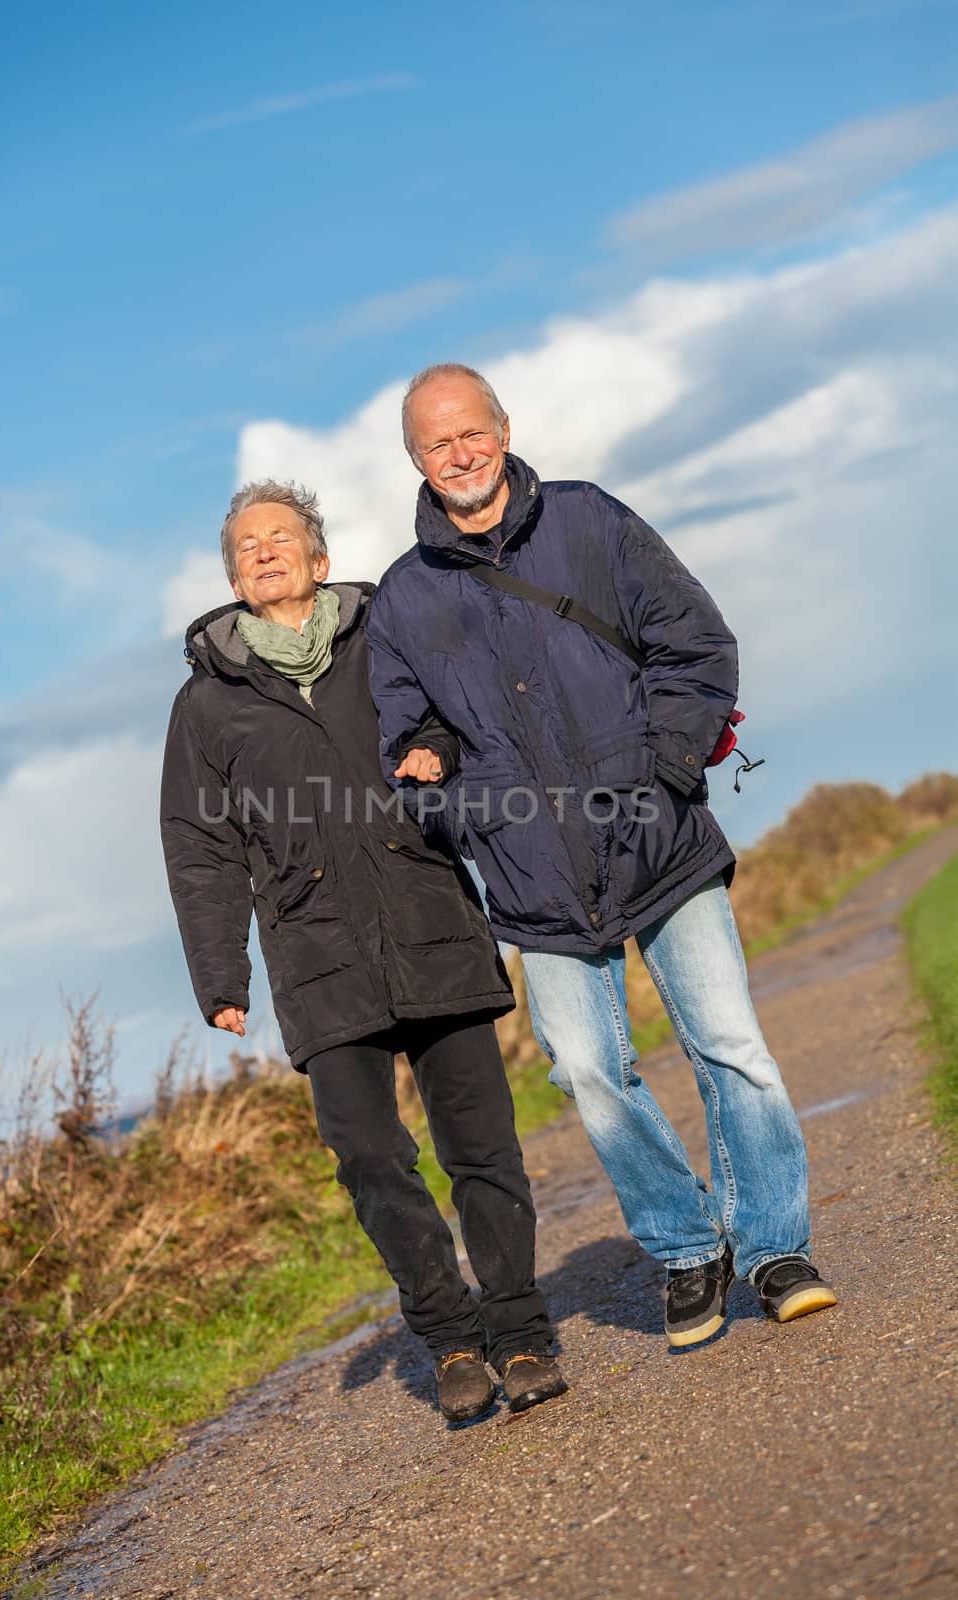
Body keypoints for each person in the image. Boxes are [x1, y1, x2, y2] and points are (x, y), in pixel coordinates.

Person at [367, 363, 837, 1348]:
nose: (456, 455)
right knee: (587, 1071)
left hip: (657, 835)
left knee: (729, 1047)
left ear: (501, 427)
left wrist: (664, 765)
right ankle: (682, 1247)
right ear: (413, 459)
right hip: (533, 878)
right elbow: (407, 744)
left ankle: (773, 1248)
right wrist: (450, 798)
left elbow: (694, 643)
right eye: (433, 444)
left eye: (469, 433)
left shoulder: (588, 520)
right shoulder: (404, 600)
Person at [159, 478, 567, 1420]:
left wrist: (435, 750)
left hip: (428, 917)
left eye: (280, 538)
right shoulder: (206, 704)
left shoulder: (387, 638)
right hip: (316, 954)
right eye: (245, 547)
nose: (263, 553)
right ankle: (452, 1338)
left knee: (481, 1148)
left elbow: (458, 715)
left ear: (319, 560)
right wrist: (221, 972)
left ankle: (519, 1332)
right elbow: (199, 842)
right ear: (232, 576)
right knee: (369, 1158)